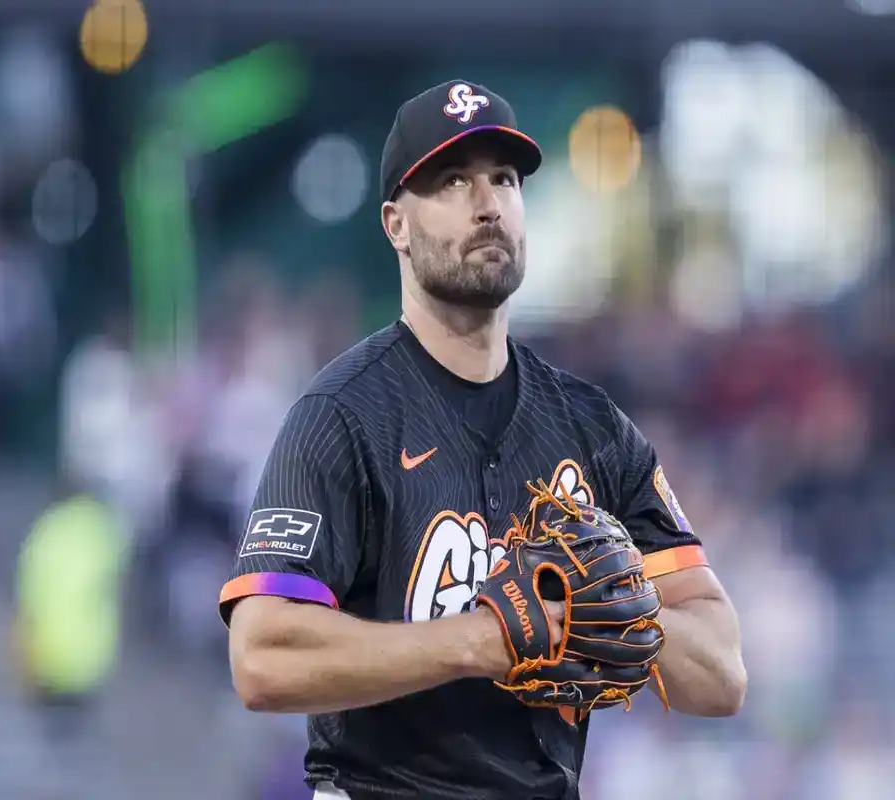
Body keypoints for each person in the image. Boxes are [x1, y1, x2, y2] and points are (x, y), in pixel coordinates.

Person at [218, 80, 746, 800]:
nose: (487, 202)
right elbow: (261, 659)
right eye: (452, 181)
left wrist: (621, 611)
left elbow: (721, 675)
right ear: (396, 224)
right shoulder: (339, 416)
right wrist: (477, 641)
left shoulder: (594, 431)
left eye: (503, 178)